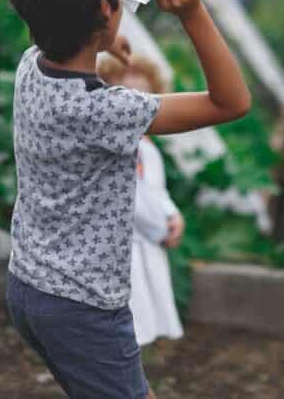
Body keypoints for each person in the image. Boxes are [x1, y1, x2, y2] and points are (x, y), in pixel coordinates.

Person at [4, 0, 251, 399]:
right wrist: (193, 13)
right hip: (83, 308)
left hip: (29, 287)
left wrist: (102, 41)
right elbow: (231, 102)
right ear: (103, 10)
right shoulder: (109, 110)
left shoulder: (29, 67)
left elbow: (60, 42)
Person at [96, 54, 185, 348]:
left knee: (149, 308)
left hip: (149, 244)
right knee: (128, 318)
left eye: (145, 98)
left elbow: (157, 191)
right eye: (127, 97)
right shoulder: (111, 147)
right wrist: (158, 226)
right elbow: (127, 197)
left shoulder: (149, 149)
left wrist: (172, 215)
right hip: (121, 249)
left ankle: (140, 366)